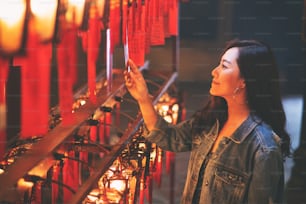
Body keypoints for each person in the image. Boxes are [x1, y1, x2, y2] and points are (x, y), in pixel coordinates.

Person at [124, 39, 291, 204]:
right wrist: (143, 98)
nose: (214, 71)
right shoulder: (212, 120)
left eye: (224, 66)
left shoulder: (263, 149)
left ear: (244, 81)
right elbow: (169, 137)